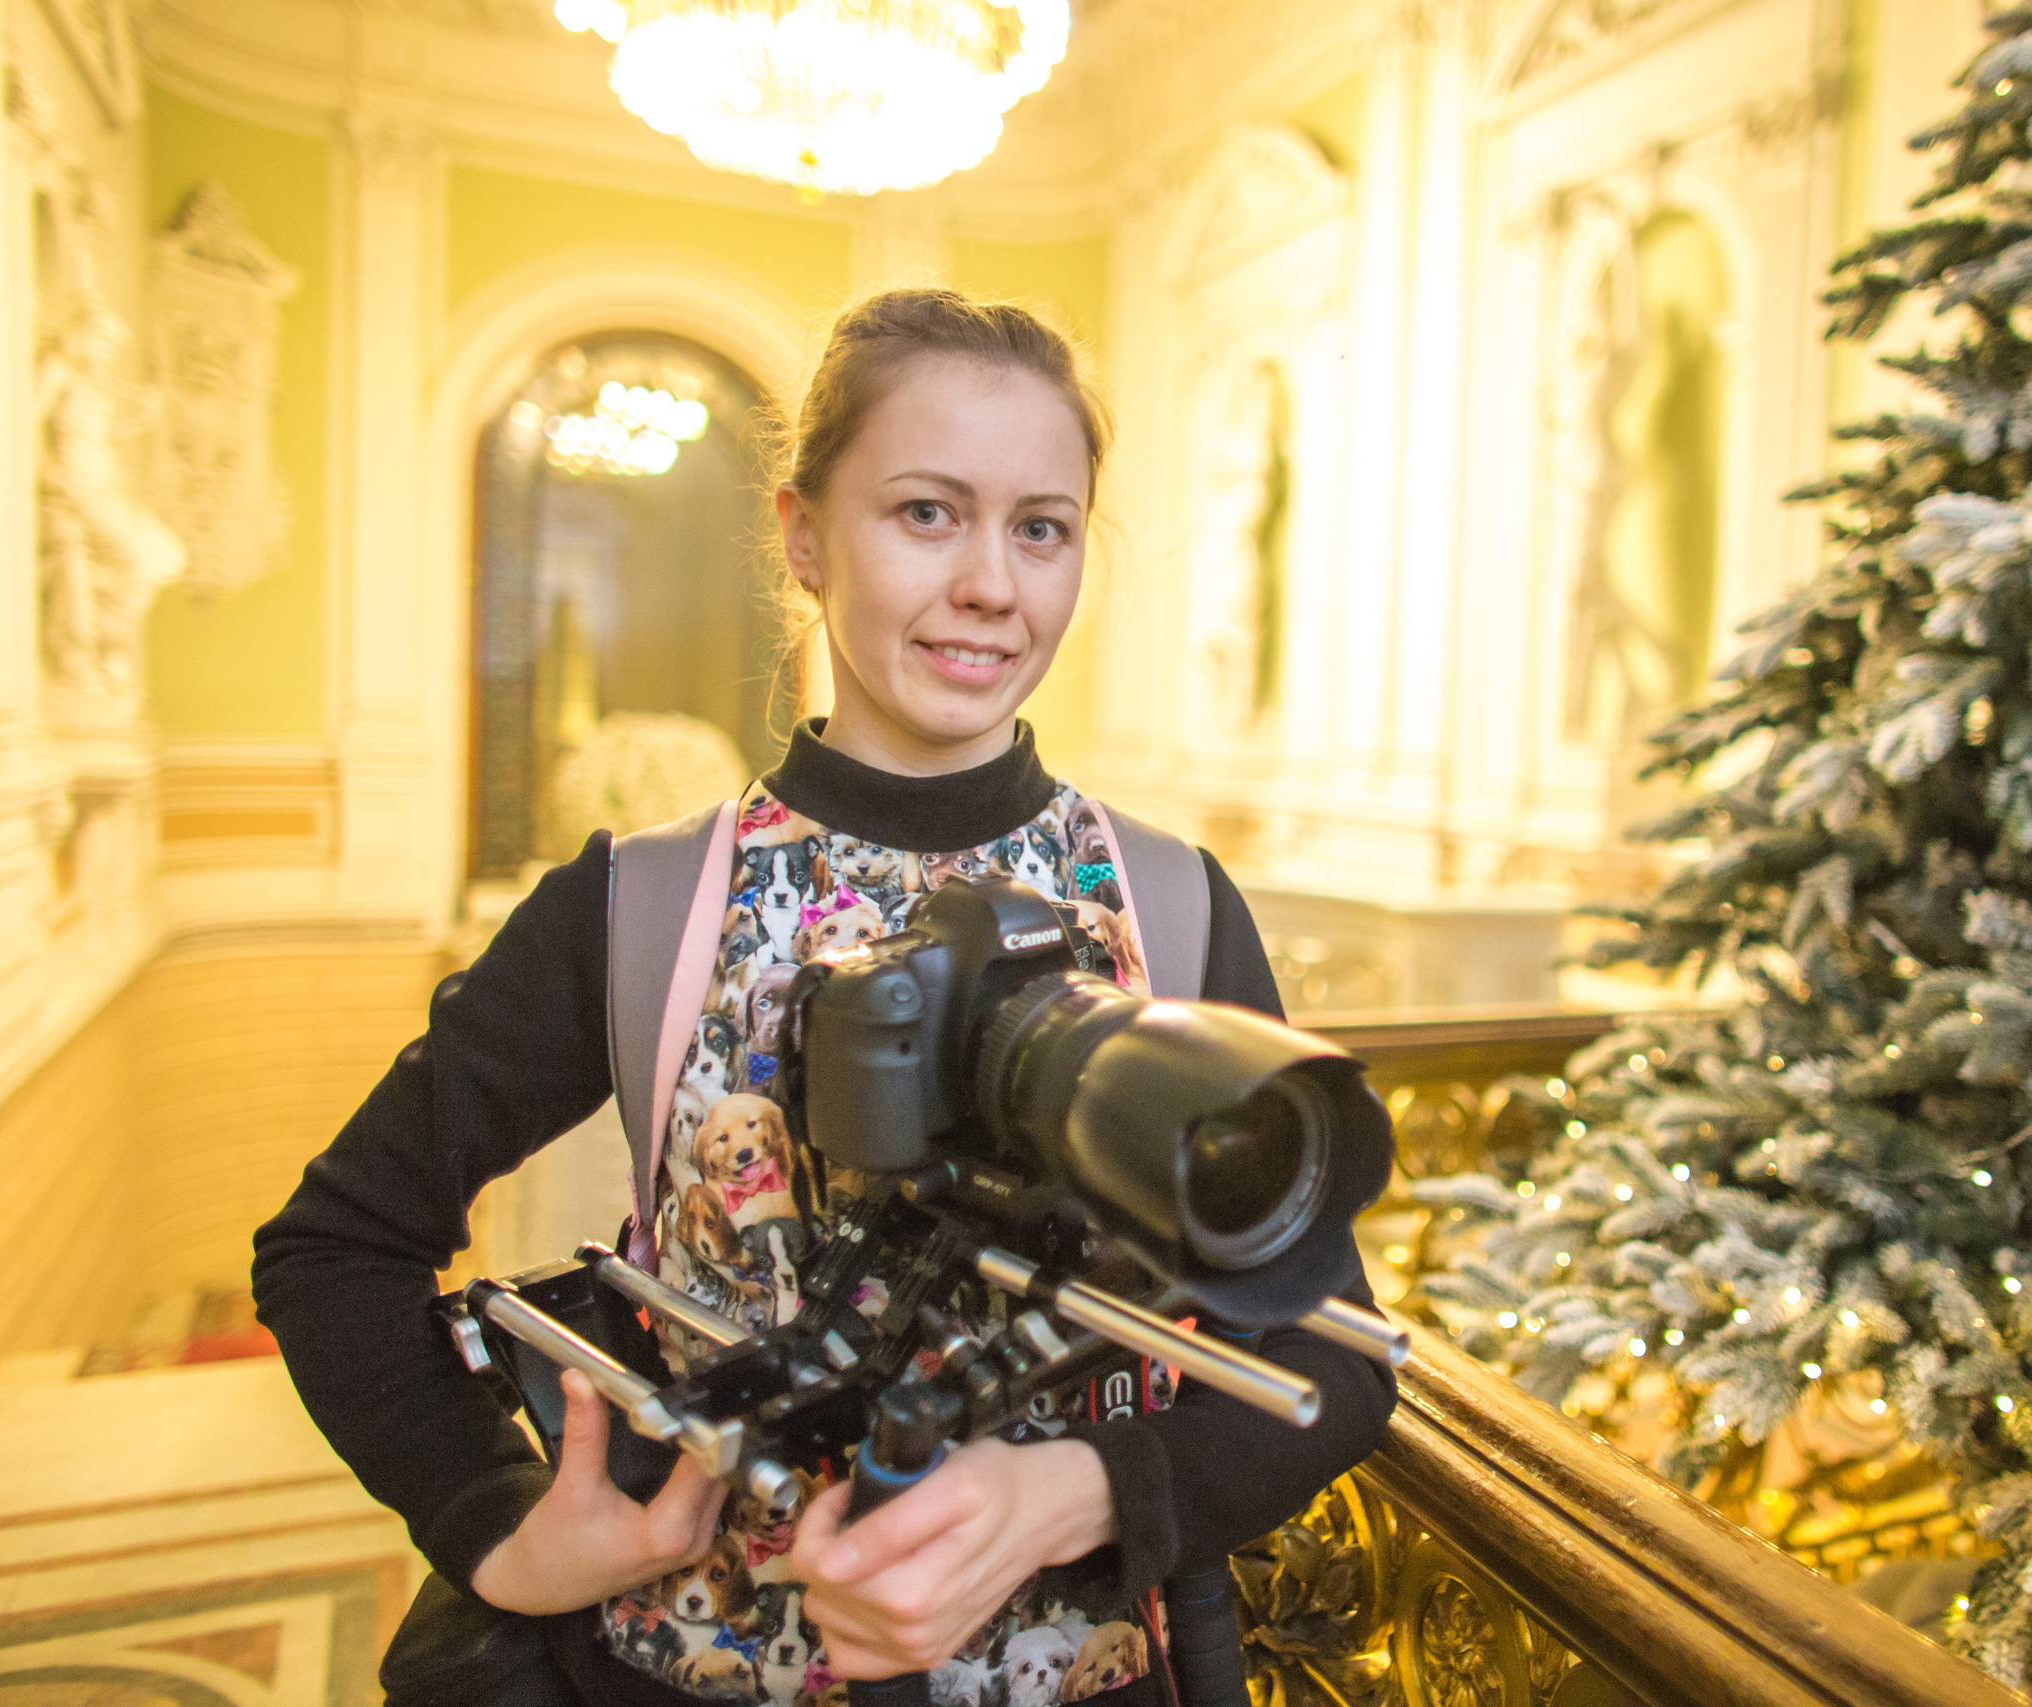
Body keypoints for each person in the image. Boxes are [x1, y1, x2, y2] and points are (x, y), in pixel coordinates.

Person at [253, 287, 1396, 1707]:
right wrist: (494, 1524)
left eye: (1040, 526)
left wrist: (1082, 1494)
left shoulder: (1163, 900)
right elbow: (334, 1248)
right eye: (926, 512)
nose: (992, 582)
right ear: (803, 534)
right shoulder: (641, 904)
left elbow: (1333, 1353)